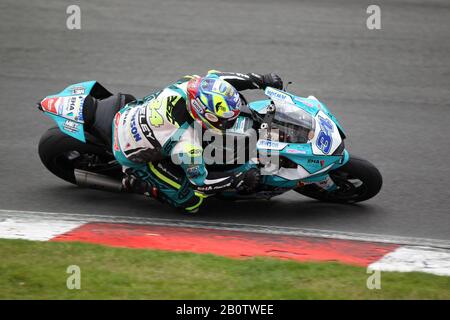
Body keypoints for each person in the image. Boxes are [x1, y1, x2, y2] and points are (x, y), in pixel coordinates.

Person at [113, 70, 283, 213]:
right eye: (227, 120)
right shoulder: (187, 145)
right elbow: (201, 183)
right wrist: (238, 177)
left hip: (129, 112)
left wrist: (260, 80)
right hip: (127, 150)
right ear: (204, 114)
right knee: (190, 201)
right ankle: (139, 184)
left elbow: (218, 78)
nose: (230, 123)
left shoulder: (190, 85)